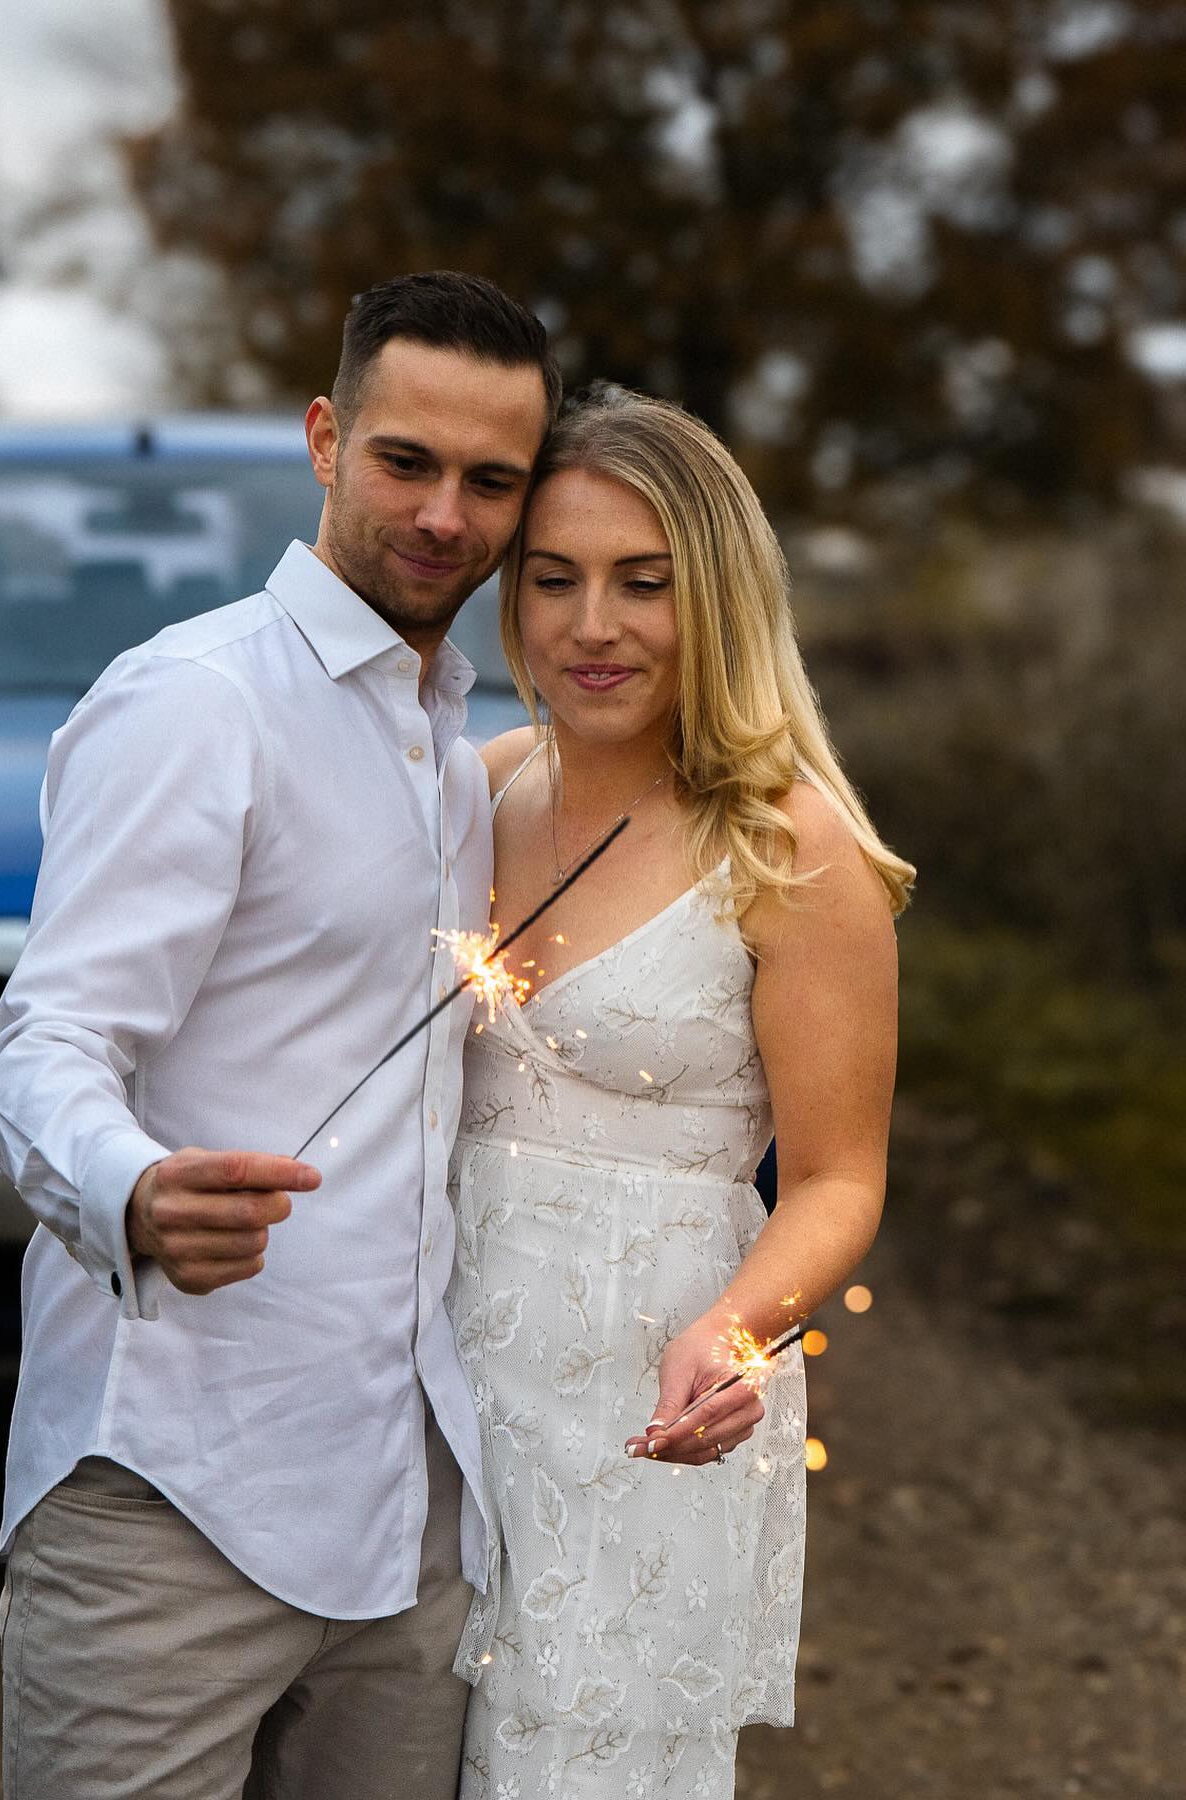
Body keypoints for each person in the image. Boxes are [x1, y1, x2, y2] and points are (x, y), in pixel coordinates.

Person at [0, 271, 560, 1800]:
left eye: (491, 481)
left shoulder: (452, 746)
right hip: (172, 1487)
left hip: (407, 1508)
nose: (445, 514)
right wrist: (132, 1190)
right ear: (324, 437)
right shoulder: (194, 703)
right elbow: (43, 1044)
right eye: (406, 461)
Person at [446, 385, 912, 1798]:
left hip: (639, 1402)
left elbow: (839, 1178)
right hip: (436, 1393)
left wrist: (736, 1331)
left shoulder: (790, 848)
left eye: (643, 584)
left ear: (713, 595)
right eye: (556, 579)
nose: (595, 625)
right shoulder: (477, 789)